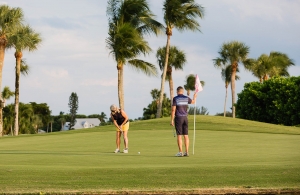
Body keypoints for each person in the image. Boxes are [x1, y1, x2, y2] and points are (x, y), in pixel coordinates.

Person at [171, 86, 197, 157]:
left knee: (179, 135)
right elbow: (193, 102)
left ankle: (180, 152)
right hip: (185, 118)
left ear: (177, 91)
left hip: (179, 118)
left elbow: (173, 110)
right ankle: (187, 152)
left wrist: (172, 120)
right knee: (186, 135)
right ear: (182, 91)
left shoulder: (175, 98)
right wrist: (194, 96)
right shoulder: (186, 98)